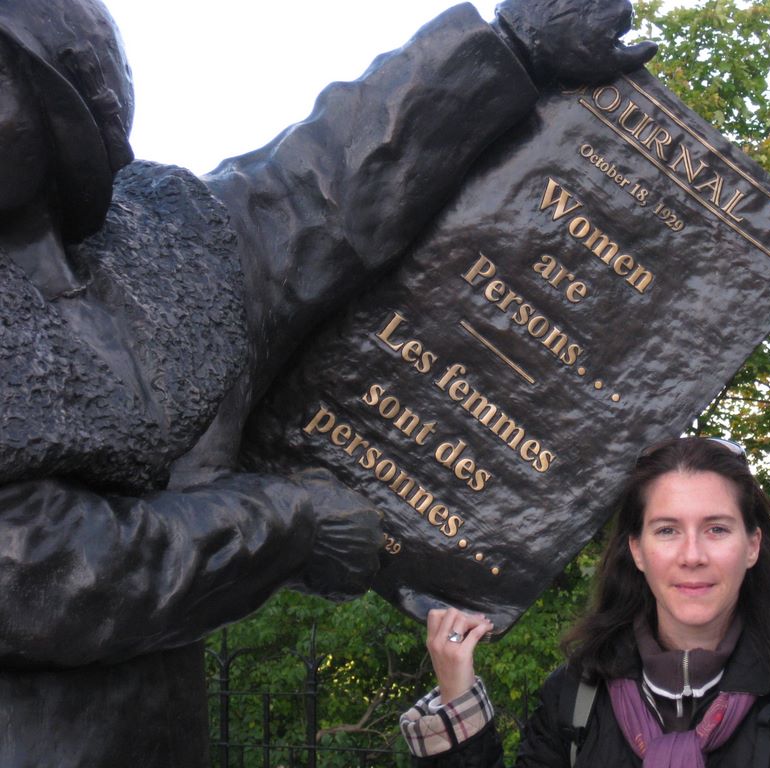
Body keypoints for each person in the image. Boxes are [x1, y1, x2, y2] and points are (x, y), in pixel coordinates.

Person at [0, 0, 655, 765]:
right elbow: (35, 569)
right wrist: (291, 526)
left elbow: (329, 184)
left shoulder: (161, 247)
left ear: (59, 98)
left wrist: (512, 48)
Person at [401, 437, 770, 767]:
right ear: (637, 550)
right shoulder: (574, 701)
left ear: (752, 546)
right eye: (667, 530)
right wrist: (457, 694)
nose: (692, 556)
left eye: (717, 529)